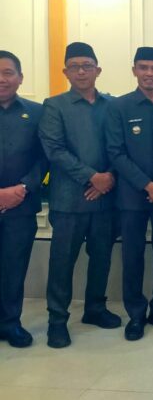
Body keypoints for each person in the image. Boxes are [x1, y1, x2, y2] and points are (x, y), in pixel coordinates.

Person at [39, 42, 121, 349]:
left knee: (101, 258)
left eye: (87, 65)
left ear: (98, 70)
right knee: (62, 263)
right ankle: (57, 321)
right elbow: (54, 150)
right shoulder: (54, 106)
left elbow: (121, 146)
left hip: (106, 198)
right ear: (65, 72)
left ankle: (95, 308)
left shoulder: (113, 105)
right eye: (74, 66)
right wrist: (92, 177)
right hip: (69, 201)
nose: (82, 71)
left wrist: (109, 176)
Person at [105, 47, 153, 341]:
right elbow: (116, 153)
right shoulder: (119, 107)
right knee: (132, 256)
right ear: (134, 70)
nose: (149, 73)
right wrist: (148, 185)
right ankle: (136, 314)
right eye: (143, 67)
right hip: (132, 196)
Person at [0, 51, 45, 348]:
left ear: (20, 78)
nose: (2, 79)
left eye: (8, 72)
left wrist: (24, 187)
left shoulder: (37, 113)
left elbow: (45, 157)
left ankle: (10, 323)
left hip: (21, 205)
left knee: (14, 268)